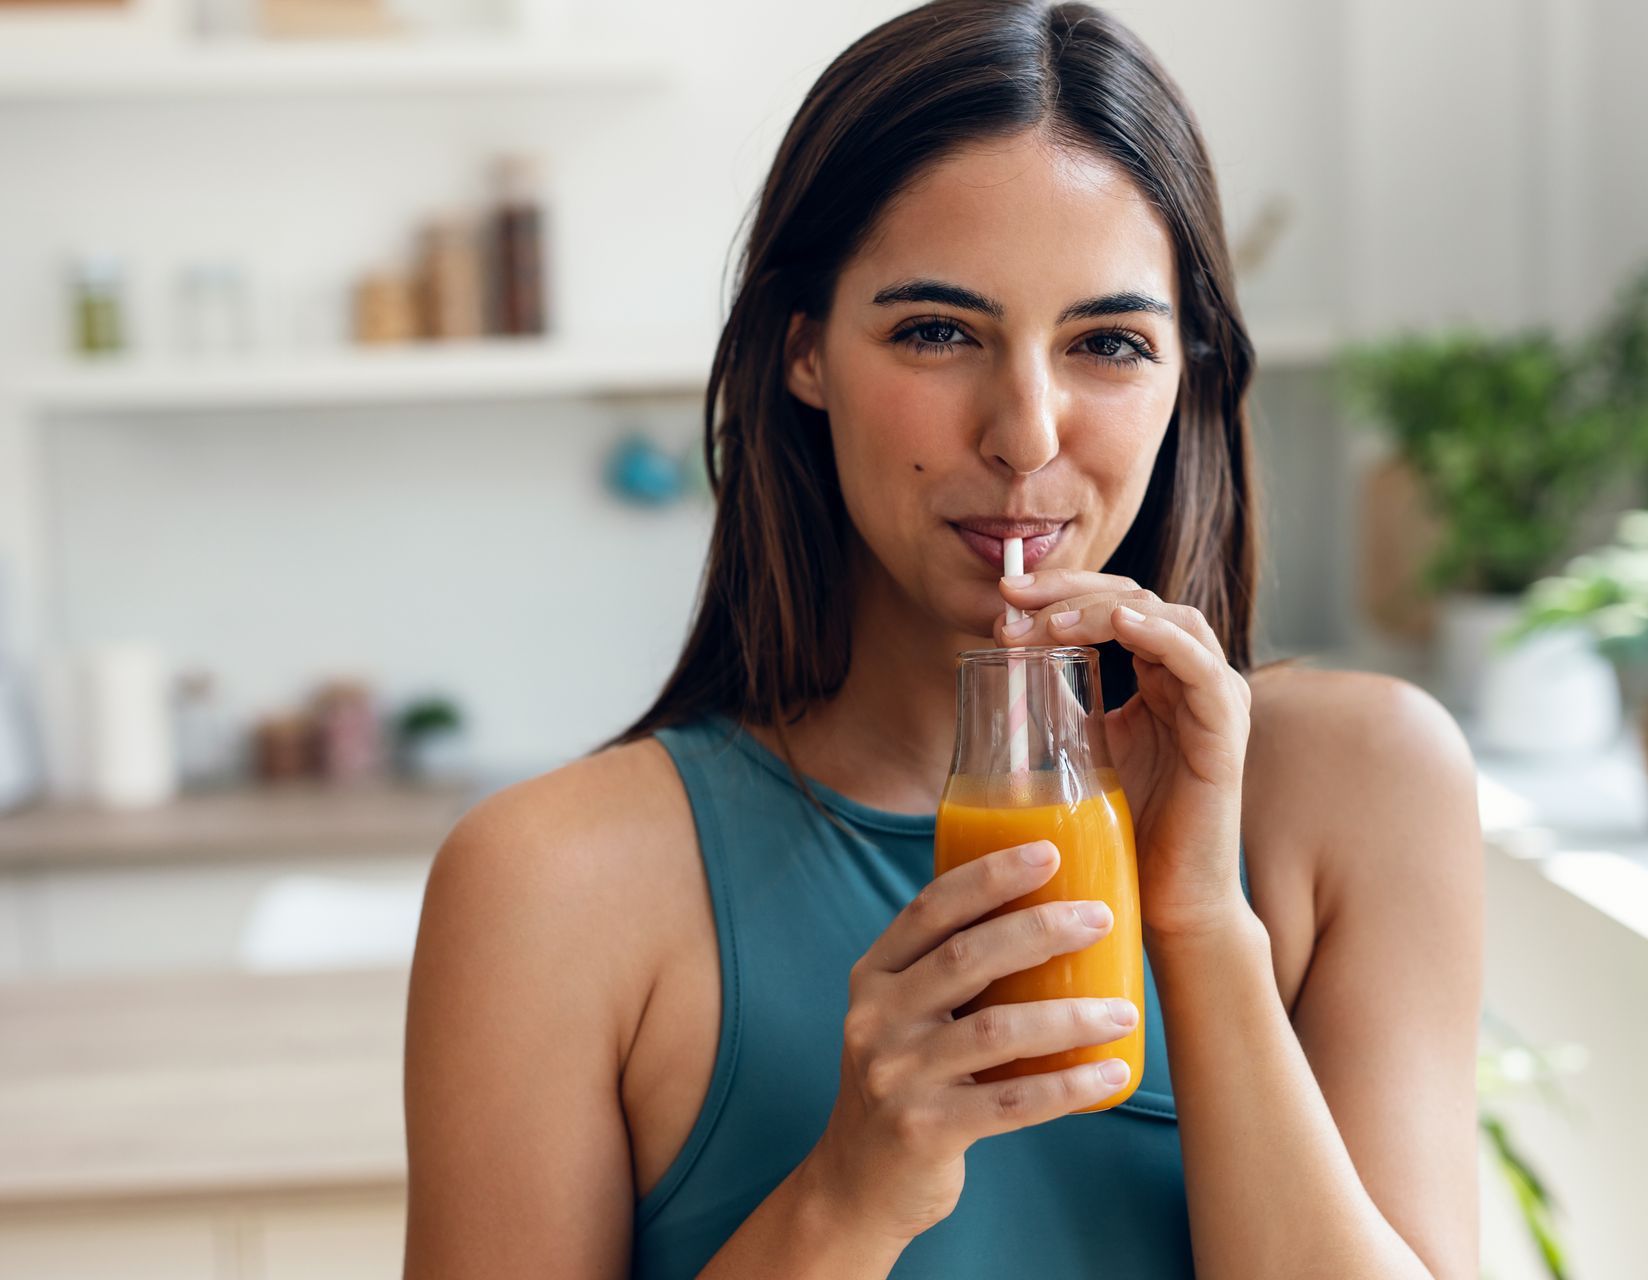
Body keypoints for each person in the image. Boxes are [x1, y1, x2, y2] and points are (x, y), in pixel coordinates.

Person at [402, 2, 1483, 1276]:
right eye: (938, 331)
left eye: (1109, 343)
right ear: (803, 351)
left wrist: (1198, 920)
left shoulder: (1355, 788)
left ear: (1185, 372)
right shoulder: (550, 884)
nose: (1026, 432)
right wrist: (849, 1193)